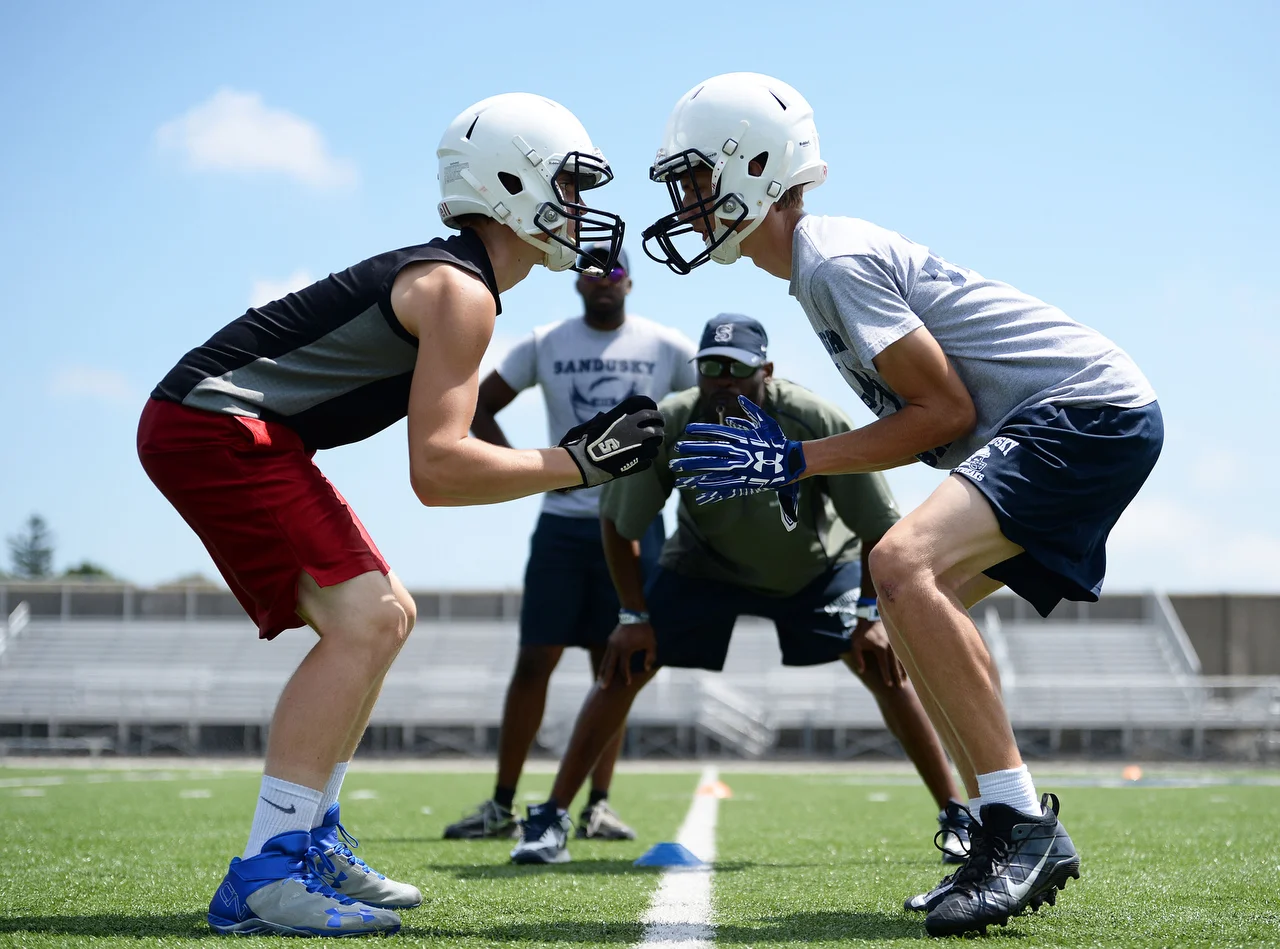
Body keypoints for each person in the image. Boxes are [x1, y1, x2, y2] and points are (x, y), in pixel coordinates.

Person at [643, 74, 1162, 937]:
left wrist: (798, 459)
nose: (688, 202)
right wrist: (800, 461)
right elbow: (939, 416)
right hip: (1082, 414)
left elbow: (945, 411)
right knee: (907, 604)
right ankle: (1005, 826)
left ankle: (1020, 826)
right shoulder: (817, 268)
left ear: (756, 167)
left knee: (900, 562)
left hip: (1083, 410)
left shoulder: (832, 260)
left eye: (697, 179)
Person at [137, 93, 664, 937]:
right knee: (367, 620)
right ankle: (270, 868)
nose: (577, 208)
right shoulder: (463, 293)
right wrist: (582, 460)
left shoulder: (460, 281)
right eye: (564, 186)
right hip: (219, 426)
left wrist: (573, 459)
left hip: (235, 427)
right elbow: (440, 470)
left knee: (388, 616)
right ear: (509, 182)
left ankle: (306, 836)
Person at [509, 313, 971, 866]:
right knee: (625, 663)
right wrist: (633, 617)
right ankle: (553, 817)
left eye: (737, 368)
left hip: (812, 567)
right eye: (711, 368)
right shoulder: (671, 423)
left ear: (766, 371)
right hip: (707, 566)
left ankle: (957, 816)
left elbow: (878, 524)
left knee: (883, 666)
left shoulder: (812, 417)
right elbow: (617, 523)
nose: (723, 379)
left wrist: (872, 613)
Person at [447, 247, 696, 842]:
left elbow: (706, 415)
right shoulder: (545, 341)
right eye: (589, 269)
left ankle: (597, 805)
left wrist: (675, 481)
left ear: (629, 281)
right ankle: (501, 805)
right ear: (576, 282)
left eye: (611, 270)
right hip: (562, 520)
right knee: (535, 660)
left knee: (616, 665)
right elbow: (479, 404)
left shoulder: (667, 347)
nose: (600, 278)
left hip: (635, 525)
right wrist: (523, 468)